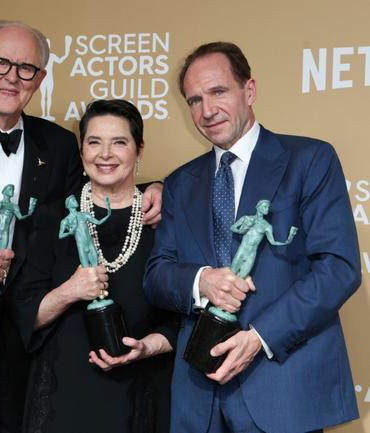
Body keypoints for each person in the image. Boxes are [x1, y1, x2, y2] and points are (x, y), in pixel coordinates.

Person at [0, 20, 163, 433]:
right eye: (2, 63)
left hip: (27, 360)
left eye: (26, 69)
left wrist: (157, 188)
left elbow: (105, 187)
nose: (12, 77)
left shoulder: (59, 144)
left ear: (40, 79)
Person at [143, 42, 360, 433]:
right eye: (194, 100)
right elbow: (157, 275)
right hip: (200, 398)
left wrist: (259, 338)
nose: (207, 110)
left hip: (284, 390)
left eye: (218, 92)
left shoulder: (310, 160)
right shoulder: (178, 183)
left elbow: (339, 268)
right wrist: (200, 281)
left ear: (250, 90)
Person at [13, 99, 177, 433]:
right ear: (81, 149)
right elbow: (25, 314)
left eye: (119, 142)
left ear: (139, 149)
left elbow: (184, 315)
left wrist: (148, 347)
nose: (105, 154)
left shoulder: (163, 219)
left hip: (140, 394)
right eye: (94, 142)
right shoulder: (52, 217)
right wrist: (70, 291)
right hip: (64, 397)